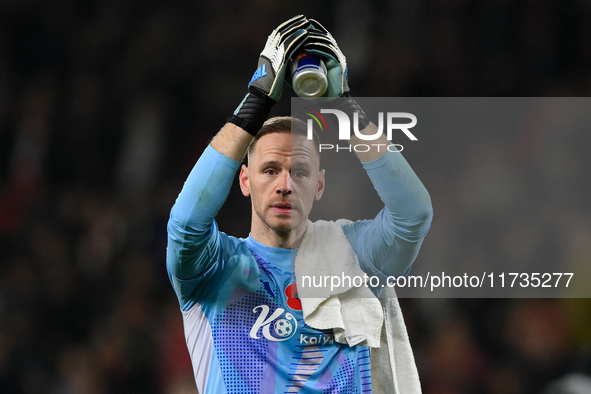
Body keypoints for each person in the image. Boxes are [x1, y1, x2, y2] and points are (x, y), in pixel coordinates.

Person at [166, 15, 433, 393]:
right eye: (270, 170)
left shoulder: (354, 256)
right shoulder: (213, 269)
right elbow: (186, 222)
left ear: (319, 185)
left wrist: (343, 107)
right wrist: (256, 99)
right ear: (244, 180)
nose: (285, 185)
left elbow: (414, 214)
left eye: (301, 172)